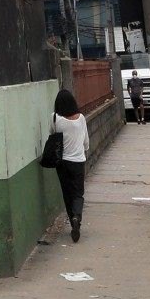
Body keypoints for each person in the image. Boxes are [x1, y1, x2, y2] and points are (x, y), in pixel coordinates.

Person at [52, 89, 89, 242]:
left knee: (67, 193)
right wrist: (84, 150)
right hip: (78, 161)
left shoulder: (55, 118)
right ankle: (76, 217)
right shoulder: (81, 118)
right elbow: (86, 141)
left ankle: (72, 218)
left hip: (62, 163)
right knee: (78, 193)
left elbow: (52, 136)